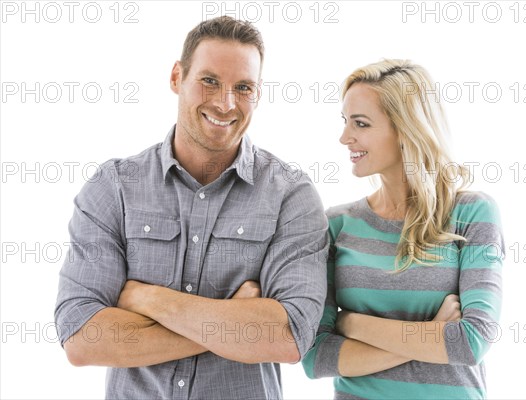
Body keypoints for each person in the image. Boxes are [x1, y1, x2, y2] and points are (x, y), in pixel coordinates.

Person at [54, 16, 328, 399]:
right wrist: (230, 325)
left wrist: (148, 299)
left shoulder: (290, 196)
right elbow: (82, 337)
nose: (226, 102)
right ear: (176, 77)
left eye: (244, 87)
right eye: (210, 80)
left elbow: (289, 336)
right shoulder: (114, 187)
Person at [301, 59, 504, 399]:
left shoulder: (472, 214)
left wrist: (352, 323)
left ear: (406, 130)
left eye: (361, 124)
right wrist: (432, 334)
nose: (344, 137)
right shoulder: (336, 225)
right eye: (346, 122)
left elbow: (471, 342)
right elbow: (316, 357)